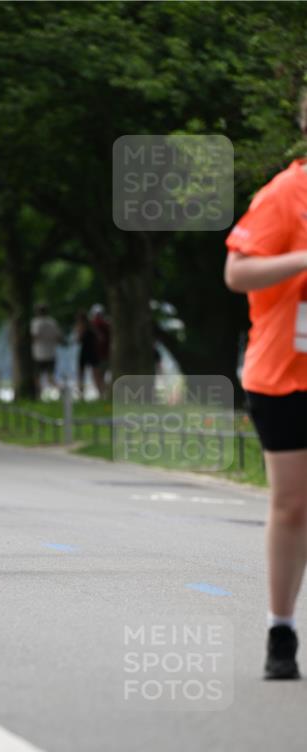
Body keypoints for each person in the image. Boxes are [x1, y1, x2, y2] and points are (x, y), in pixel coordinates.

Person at [224, 91, 307, 680]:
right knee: (293, 503)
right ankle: (282, 628)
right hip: (285, 371)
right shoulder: (286, 193)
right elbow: (237, 272)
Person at [30, 303, 61, 397]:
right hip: (51, 353)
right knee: (51, 378)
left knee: (37, 377)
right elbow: (58, 337)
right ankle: (61, 391)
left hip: (38, 354)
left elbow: (34, 336)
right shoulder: (53, 322)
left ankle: (38, 395)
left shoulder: (36, 322)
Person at [74, 308, 105, 399]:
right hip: (92, 351)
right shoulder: (92, 326)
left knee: (81, 374)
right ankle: (101, 393)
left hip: (84, 351)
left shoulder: (81, 326)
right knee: (96, 374)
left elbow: (78, 339)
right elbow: (100, 338)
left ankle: (81, 393)